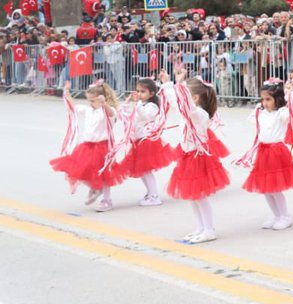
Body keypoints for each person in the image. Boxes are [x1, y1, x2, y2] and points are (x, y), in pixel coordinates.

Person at [161, 69, 230, 244]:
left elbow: (186, 106)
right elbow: (177, 103)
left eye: (186, 94)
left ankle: (209, 229)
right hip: (187, 156)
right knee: (192, 196)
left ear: (195, 98)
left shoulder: (200, 114)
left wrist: (179, 87)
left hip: (197, 157)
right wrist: (170, 84)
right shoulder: (189, 112)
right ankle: (200, 227)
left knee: (200, 196)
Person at [237, 80, 293, 230]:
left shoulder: (281, 113)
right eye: (262, 99)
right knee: (266, 188)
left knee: (275, 188)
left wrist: (289, 96)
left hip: (276, 152)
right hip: (263, 152)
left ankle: (285, 216)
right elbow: (250, 119)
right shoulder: (262, 113)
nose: (264, 103)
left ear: (277, 99)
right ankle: (276, 215)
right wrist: (258, 108)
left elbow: (291, 117)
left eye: (268, 99)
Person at [50, 81, 124, 212]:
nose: (90, 103)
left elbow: (112, 114)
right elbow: (73, 107)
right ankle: (95, 188)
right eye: (89, 100)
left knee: (105, 174)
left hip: (102, 146)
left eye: (93, 100)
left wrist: (104, 104)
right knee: (77, 169)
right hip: (87, 146)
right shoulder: (88, 110)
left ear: (102, 98)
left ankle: (107, 200)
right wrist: (66, 92)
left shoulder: (106, 111)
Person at [116, 77, 175, 207]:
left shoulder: (152, 106)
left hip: (146, 141)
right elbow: (129, 115)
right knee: (143, 171)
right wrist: (128, 102)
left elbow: (146, 116)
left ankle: (154, 196)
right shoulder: (141, 105)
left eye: (143, 91)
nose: (139, 94)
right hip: (139, 140)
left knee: (146, 171)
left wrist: (136, 104)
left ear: (152, 94)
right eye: (138, 91)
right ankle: (150, 193)